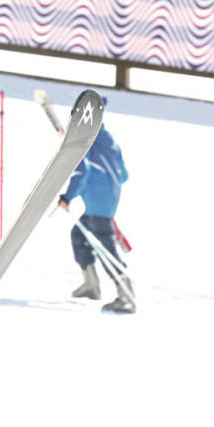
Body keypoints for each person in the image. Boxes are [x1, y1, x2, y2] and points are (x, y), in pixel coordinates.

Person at [58, 123, 135, 313]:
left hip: (97, 203)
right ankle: (91, 285)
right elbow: (123, 175)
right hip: (107, 200)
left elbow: (82, 171)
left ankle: (127, 297)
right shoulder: (108, 141)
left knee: (106, 249)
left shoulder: (87, 139)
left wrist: (68, 196)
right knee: (79, 235)